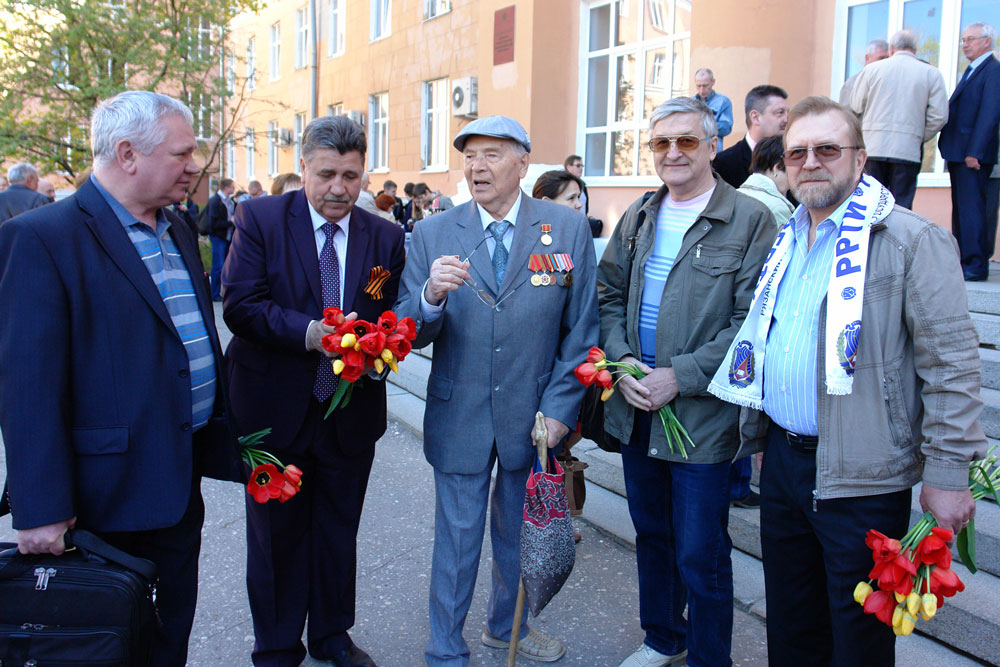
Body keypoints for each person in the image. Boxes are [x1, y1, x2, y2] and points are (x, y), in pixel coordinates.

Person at [708, 95, 986, 667]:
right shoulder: (787, 239)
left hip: (862, 478)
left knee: (856, 642)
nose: (810, 162)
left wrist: (949, 474)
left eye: (827, 149)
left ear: (859, 160)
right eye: (797, 152)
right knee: (791, 627)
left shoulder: (911, 241)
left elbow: (952, 367)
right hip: (784, 466)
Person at [0, 90, 240, 667]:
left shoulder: (178, 228)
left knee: (168, 631)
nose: (194, 166)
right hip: (100, 501)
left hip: (178, 482)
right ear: (128, 153)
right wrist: (39, 506)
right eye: (182, 153)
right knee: (103, 643)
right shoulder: (42, 238)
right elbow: (27, 386)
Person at [394, 115, 597, 665]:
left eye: (492, 155)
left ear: (524, 163)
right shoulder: (434, 231)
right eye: (470, 156)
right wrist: (430, 298)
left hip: (532, 416)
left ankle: (508, 628)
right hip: (459, 411)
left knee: (517, 538)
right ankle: (445, 649)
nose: (477, 167)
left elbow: (580, 332)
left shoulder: (567, 227)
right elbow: (408, 328)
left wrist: (559, 408)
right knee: (457, 540)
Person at [222, 114, 405, 667]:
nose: (339, 189)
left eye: (351, 176)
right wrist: (309, 335)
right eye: (327, 174)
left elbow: (385, 310)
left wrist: (381, 342)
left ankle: (331, 636)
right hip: (274, 411)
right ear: (304, 167)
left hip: (349, 415)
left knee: (336, 531)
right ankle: (277, 646)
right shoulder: (259, 218)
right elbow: (240, 305)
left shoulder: (384, 236)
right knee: (276, 540)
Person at [598, 97, 774, 667]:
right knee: (652, 533)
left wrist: (683, 377)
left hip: (701, 416)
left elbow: (753, 321)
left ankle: (707, 656)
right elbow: (608, 298)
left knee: (701, 550)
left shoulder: (749, 219)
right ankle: (661, 638)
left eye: (687, 141)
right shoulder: (639, 214)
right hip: (636, 402)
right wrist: (624, 365)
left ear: (714, 145)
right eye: (661, 143)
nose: (672, 153)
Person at [849, 29, 949, 210]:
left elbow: (856, 105)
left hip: (873, 147)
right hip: (908, 151)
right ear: (915, 49)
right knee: (901, 207)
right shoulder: (931, 73)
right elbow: (939, 116)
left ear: (891, 48)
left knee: (869, 204)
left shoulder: (872, 69)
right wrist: (917, 134)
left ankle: (869, 239)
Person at [939, 22, 1000, 282]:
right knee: (962, 210)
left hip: (971, 156)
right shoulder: (973, 70)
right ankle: (965, 261)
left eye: (971, 39)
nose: (965, 44)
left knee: (972, 210)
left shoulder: (993, 71)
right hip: (959, 154)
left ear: (987, 41)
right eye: (963, 39)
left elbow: (989, 114)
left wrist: (975, 151)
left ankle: (975, 265)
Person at [713, 85, 789, 189]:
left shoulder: (793, 159)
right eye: (780, 113)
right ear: (755, 117)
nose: (786, 119)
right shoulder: (723, 164)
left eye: (787, 113)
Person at [738, 134, 794, 229]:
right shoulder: (778, 208)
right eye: (792, 169)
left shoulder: (732, 197)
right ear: (777, 167)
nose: (793, 178)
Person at [207, 177, 235, 301]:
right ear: (226, 187)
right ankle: (214, 293)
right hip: (218, 236)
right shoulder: (216, 201)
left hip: (227, 236)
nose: (234, 189)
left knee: (224, 266)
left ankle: (220, 291)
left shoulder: (230, 202)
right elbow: (213, 223)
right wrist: (230, 222)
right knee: (218, 265)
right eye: (232, 186)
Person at [838, 39, 889, 106]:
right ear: (867, 58)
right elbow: (845, 113)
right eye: (881, 58)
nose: (885, 62)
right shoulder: (853, 83)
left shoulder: (890, 81)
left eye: (888, 59)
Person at [693, 68, 734, 150]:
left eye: (705, 85)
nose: (701, 90)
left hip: (713, 152)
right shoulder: (690, 103)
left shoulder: (723, 102)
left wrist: (701, 125)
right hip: (694, 151)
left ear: (713, 82)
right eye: (698, 86)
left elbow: (726, 128)